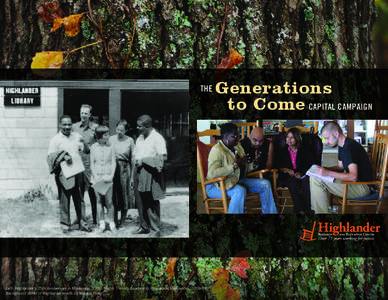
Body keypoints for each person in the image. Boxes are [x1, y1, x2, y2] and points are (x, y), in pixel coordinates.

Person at [206, 123, 278, 214]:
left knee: (265, 184)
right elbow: (212, 174)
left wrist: (254, 163)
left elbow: (244, 168)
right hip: (216, 186)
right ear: (225, 136)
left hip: (235, 181)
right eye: (234, 136)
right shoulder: (217, 150)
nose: (238, 138)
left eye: (238, 135)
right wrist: (234, 166)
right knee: (239, 191)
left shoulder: (238, 147)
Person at [310, 121, 373, 213]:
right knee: (315, 176)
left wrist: (327, 173)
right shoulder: (342, 145)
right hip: (356, 184)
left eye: (327, 138)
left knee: (317, 180)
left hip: (362, 187)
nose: (326, 142)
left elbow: (353, 177)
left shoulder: (349, 147)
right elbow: (340, 167)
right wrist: (324, 168)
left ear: (336, 133)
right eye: (324, 139)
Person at [47, 115, 92, 233]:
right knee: (64, 198)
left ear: (72, 125)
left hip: (78, 171)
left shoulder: (77, 136)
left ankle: (82, 222)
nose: (67, 127)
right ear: (60, 125)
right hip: (64, 173)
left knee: (80, 198)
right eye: (64, 124)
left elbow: (86, 151)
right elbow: (50, 157)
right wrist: (63, 156)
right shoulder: (55, 139)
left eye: (69, 124)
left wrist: (85, 143)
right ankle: (65, 224)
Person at [132, 115, 167, 236]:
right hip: (139, 172)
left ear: (148, 126)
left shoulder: (157, 138)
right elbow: (136, 156)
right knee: (140, 201)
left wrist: (144, 160)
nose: (137, 128)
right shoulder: (140, 138)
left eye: (139, 126)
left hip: (151, 173)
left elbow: (163, 157)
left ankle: (155, 230)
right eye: (137, 125)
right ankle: (144, 226)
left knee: (152, 201)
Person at [73, 104, 98, 226]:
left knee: (93, 191)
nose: (83, 115)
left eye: (86, 113)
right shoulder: (74, 127)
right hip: (78, 164)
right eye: (81, 112)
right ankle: (80, 218)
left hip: (91, 165)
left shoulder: (95, 128)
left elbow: (100, 146)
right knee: (79, 192)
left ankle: (96, 218)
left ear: (90, 115)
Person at [278, 128, 314, 213]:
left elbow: (311, 165)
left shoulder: (305, 150)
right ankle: (300, 210)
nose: (289, 140)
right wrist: (287, 170)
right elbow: (278, 166)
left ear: (297, 139)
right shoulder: (282, 151)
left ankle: (309, 210)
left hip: (304, 175)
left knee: (307, 183)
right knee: (292, 182)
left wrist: (301, 173)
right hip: (288, 176)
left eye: (292, 137)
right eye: (287, 137)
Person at [90, 125, 116, 232]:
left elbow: (113, 162)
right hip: (97, 177)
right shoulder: (93, 147)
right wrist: (96, 177)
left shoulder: (111, 146)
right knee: (99, 201)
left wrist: (111, 176)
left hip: (108, 177)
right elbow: (92, 163)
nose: (108, 136)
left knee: (109, 202)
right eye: (106, 135)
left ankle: (111, 223)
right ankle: (101, 224)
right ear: (100, 136)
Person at [109, 120, 135, 228]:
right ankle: (114, 219)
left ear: (126, 130)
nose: (119, 132)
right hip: (112, 168)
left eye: (122, 130)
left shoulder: (130, 140)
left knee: (124, 193)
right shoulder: (111, 139)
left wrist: (132, 176)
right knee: (113, 193)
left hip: (124, 168)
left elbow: (133, 159)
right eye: (117, 129)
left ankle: (123, 219)